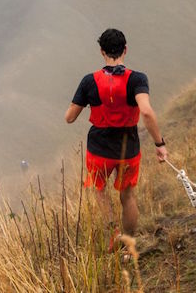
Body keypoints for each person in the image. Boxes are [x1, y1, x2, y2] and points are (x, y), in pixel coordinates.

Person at [65, 28, 169, 245]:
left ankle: (113, 235)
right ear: (125, 50)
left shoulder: (89, 81)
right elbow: (147, 112)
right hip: (128, 147)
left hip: (99, 149)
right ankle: (129, 243)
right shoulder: (137, 79)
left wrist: (82, 100)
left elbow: (70, 118)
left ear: (102, 52)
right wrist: (159, 144)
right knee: (127, 196)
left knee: (98, 190)